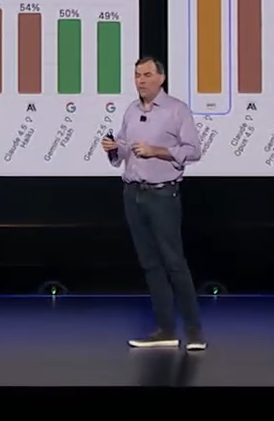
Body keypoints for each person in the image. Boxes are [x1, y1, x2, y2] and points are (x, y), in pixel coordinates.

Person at [101, 56, 205, 351]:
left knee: (174, 263)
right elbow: (123, 152)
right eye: (137, 75)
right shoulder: (131, 111)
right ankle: (165, 330)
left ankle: (194, 332)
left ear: (161, 78)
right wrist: (113, 149)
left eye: (147, 75)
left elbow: (193, 151)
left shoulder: (176, 110)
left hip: (162, 195)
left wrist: (156, 151)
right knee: (150, 264)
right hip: (133, 193)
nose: (141, 80)